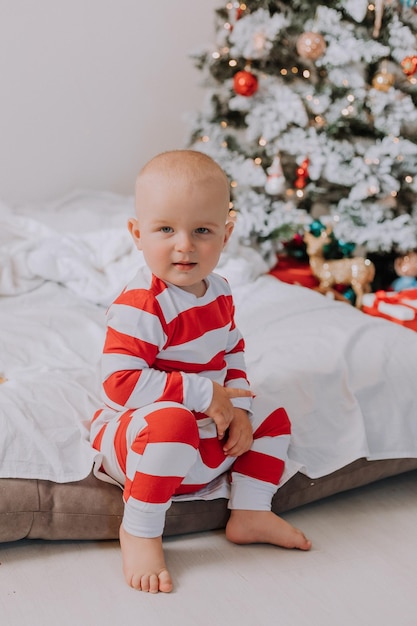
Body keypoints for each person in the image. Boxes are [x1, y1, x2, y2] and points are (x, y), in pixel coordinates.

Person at [90, 149, 311, 594]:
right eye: (166, 229)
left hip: (207, 432)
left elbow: (232, 349)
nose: (185, 244)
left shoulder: (221, 291)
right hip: (142, 437)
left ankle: (250, 510)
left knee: (274, 415)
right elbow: (121, 383)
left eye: (202, 230)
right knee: (173, 423)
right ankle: (140, 528)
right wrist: (202, 394)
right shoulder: (142, 305)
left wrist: (238, 404)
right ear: (137, 233)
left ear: (226, 234)